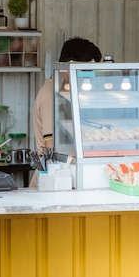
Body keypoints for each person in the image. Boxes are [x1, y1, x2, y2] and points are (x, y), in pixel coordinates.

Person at [30, 37, 102, 187]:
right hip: (53, 178)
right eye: (84, 71)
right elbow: (51, 146)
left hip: (70, 175)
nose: (85, 78)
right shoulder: (50, 95)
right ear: (67, 68)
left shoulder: (67, 91)